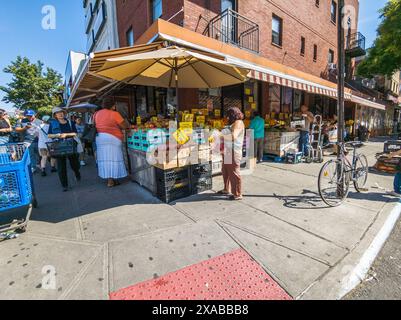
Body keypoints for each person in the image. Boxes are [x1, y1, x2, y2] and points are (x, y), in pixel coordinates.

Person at [94, 97, 129, 188]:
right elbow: (124, 126)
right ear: (113, 106)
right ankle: (112, 180)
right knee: (114, 158)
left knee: (105, 159)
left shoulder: (96, 114)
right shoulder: (115, 114)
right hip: (113, 138)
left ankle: (110, 180)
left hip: (100, 138)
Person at [47, 106, 81, 192]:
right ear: (55, 115)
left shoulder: (70, 122)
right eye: (58, 113)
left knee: (75, 164)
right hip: (59, 146)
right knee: (61, 167)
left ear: (64, 113)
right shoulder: (53, 124)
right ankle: (64, 185)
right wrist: (57, 135)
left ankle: (77, 172)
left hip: (70, 145)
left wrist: (66, 135)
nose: (60, 114)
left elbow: (75, 133)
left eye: (61, 112)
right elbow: (49, 135)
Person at [218, 107, 245, 201]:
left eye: (228, 116)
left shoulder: (239, 122)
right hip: (228, 151)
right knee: (225, 170)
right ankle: (226, 189)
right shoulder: (233, 123)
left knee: (234, 172)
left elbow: (233, 136)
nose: (227, 118)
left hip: (234, 151)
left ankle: (237, 194)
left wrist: (220, 135)